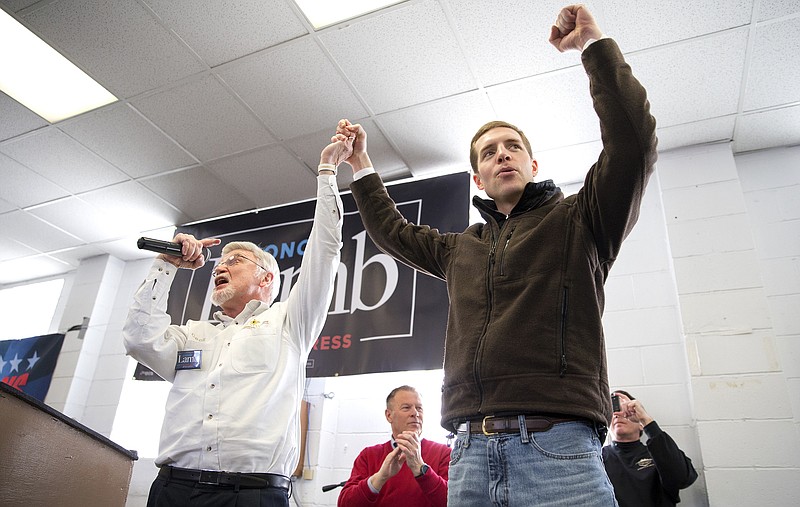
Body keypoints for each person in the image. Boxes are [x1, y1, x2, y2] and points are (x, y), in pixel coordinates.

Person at [335, 3, 657, 505]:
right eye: (489, 152)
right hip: (469, 456)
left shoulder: (582, 219)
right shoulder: (461, 247)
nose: (501, 154)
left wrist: (594, 48)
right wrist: (362, 166)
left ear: (532, 162)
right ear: (477, 179)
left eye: (511, 147)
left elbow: (632, 147)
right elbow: (392, 233)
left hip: (562, 455)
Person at [122, 135, 352, 506]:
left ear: (266, 280)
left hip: (252, 495)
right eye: (220, 262)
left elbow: (325, 251)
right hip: (173, 490)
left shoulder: (289, 323)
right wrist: (166, 266)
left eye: (236, 260)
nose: (221, 266)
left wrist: (327, 172)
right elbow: (137, 338)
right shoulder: (193, 335)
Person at [337, 386, 450, 507]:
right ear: (389, 415)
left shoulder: (444, 453)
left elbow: (453, 501)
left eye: (419, 408)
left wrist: (420, 469)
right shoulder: (369, 455)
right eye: (406, 408)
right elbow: (345, 504)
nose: (415, 413)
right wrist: (380, 477)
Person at [603, 390, 698, 507]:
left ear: (640, 424)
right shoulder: (598, 458)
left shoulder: (658, 452)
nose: (617, 414)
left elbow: (683, 478)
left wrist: (646, 420)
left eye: (624, 409)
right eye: (612, 410)